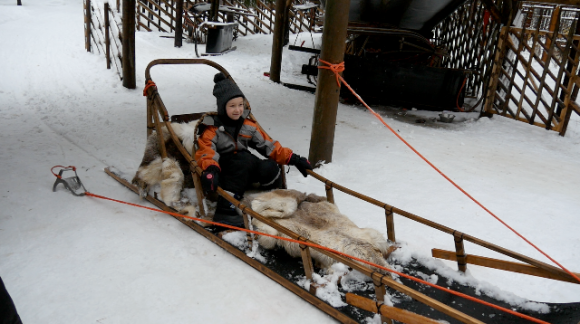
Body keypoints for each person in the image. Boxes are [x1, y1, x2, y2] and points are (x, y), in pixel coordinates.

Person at [195, 72, 312, 228]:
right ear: (223, 107)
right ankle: (225, 212)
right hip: (225, 171)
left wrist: (294, 159)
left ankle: (271, 198)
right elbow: (206, 151)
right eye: (232, 106)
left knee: (269, 166)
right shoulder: (212, 128)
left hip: (245, 166)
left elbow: (269, 146)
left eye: (240, 105)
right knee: (242, 161)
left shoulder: (247, 125)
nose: (237, 110)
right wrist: (210, 170)